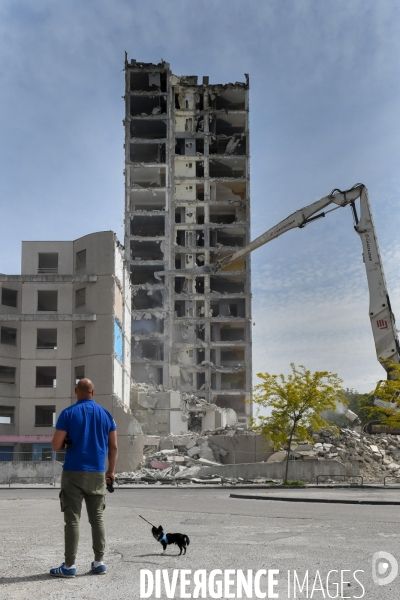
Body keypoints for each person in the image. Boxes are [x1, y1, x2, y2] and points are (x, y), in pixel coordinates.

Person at [50, 378, 118, 578]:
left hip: (73, 472)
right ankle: (99, 563)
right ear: (93, 392)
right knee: (97, 519)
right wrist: (110, 471)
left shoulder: (67, 413)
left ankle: (69, 566)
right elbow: (113, 447)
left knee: (72, 520)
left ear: (75, 391)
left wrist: (66, 444)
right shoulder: (106, 415)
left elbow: (56, 445)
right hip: (97, 472)